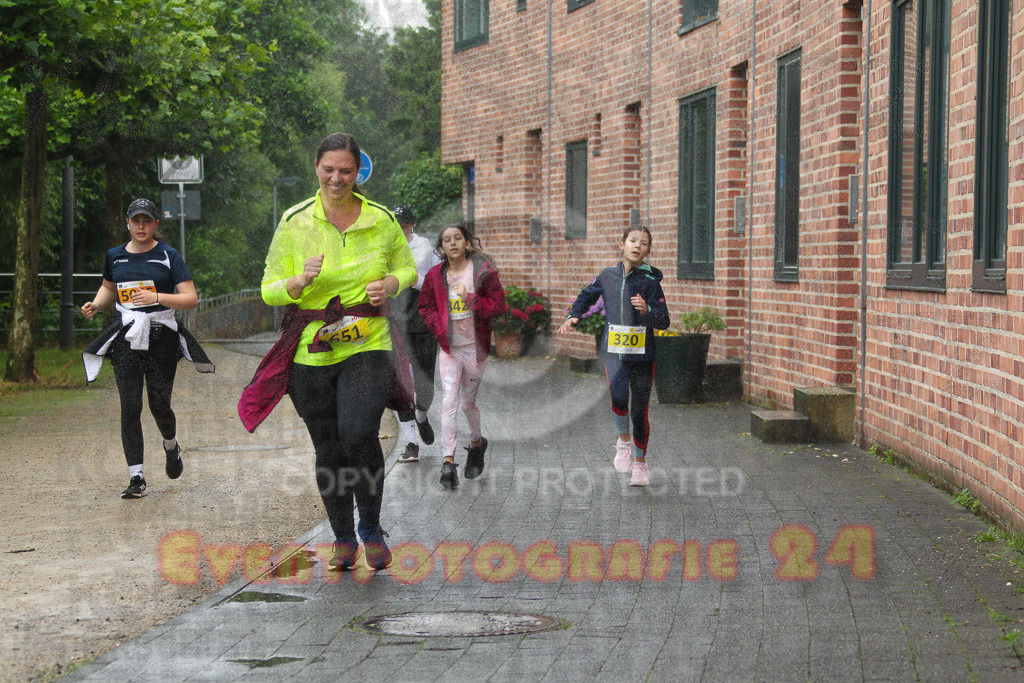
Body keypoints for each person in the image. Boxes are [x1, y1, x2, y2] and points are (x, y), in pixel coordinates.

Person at [241, 132, 416, 571]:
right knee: (329, 447)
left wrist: (391, 284)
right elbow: (268, 290)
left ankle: (371, 528)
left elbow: (407, 266)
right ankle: (342, 537)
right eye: (329, 169)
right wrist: (297, 283)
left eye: (346, 171)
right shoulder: (294, 220)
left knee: (358, 433)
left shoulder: (380, 218)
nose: (337, 178)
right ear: (316, 168)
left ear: (359, 172)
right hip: (310, 351)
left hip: (368, 341)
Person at [81, 198, 214, 499]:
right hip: (126, 337)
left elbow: (190, 299)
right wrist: (96, 304)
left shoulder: (168, 256)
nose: (141, 226)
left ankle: (171, 445)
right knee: (130, 406)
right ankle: (136, 476)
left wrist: (156, 295)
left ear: (155, 224)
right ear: (127, 223)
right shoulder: (114, 256)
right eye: (135, 220)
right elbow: (108, 287)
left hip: (160, 337)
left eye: (147, 221)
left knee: (159, 405)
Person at [558, 226, 669, 486]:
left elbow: (664, 321)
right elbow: (586, 296)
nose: (637, 246)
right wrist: (574, 315)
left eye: (643, 243)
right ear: (622, 245)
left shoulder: (651, 283)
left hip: (643, 355)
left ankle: (640, 464)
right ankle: (623, 441)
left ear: (648, 251)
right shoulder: (607, 276)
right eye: (632, 240)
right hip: (614, 353)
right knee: (619, 399)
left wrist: (648, 308)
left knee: (639, 410)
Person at [418, 223, 506, 489]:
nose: (453, 243)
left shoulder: (482, 272)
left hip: (474, 349)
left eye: (458, 238)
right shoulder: (435, 275)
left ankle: (477, 444)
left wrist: (471, 300)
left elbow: (498, 307)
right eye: (447, 240)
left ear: (468, 244)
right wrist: (438, 326)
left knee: (468, 405)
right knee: (448, 401)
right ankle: (448, 461)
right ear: (441, 248)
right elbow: (426, 306)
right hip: (450, 349)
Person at [390, 204, 442, 463]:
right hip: (394, 321)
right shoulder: (384, 251)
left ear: (410, 225)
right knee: (401, 383)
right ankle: (410, 442)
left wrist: (414, 280)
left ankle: (421, 416)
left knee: (425, 386)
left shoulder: (426, 248)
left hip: (422, 321)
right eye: (394, 226)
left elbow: (439, 284)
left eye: (402, 225)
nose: (398, 231)